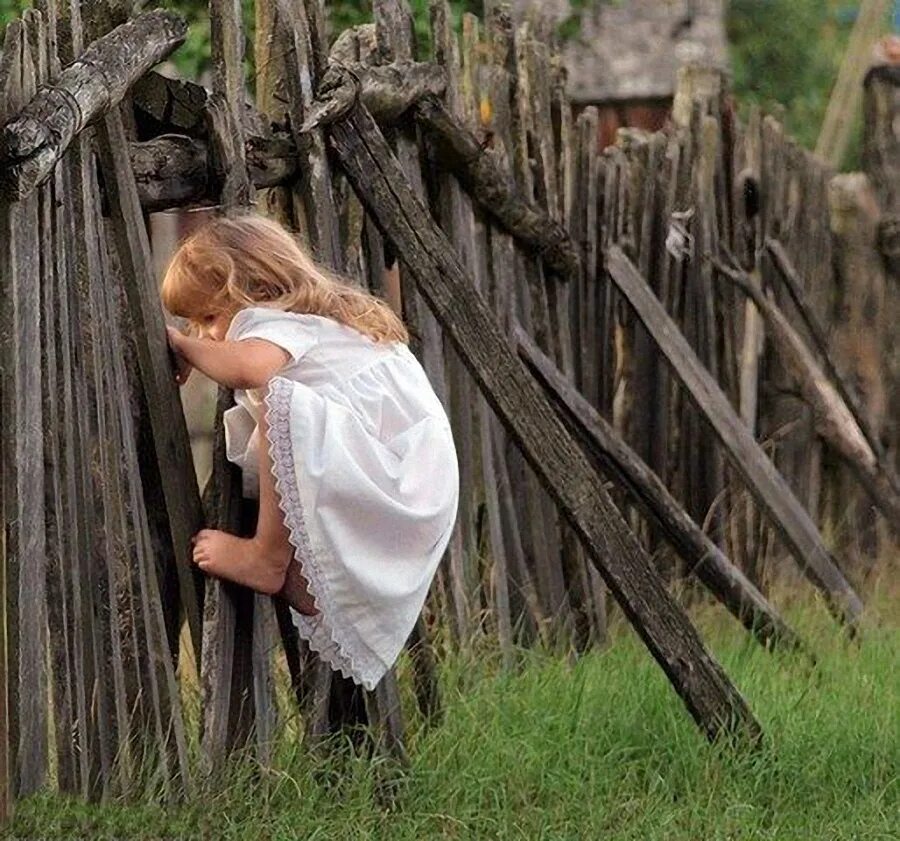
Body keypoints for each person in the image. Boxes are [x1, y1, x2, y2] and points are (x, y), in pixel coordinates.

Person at [162, 213, 459, 691]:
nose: (206, 335)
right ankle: (307, 573)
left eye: (209, 318)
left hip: (396, 472)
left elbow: (249, 368)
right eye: (192, 325)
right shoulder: (325, 319)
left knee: (281, 402)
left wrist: (180, 346)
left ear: (252, 287)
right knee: (283, 408)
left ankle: (267, 556)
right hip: (409, 475)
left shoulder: (277, 320)